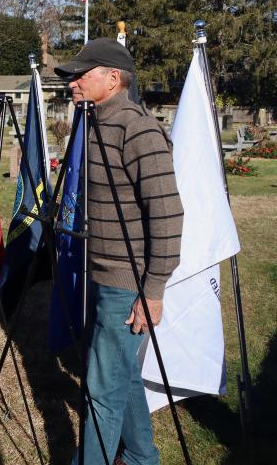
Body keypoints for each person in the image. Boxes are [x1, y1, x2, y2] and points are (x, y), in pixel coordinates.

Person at [54, 39, 184, 465]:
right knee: (122, 376)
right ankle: (142, 458)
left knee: (100, 391)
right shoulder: (94, 122)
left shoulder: (137, 129)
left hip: (126, 284)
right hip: (101, 276)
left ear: (113, 79)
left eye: (81, 74)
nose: (73, 81)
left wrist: (153, 292)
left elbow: (166, 216)